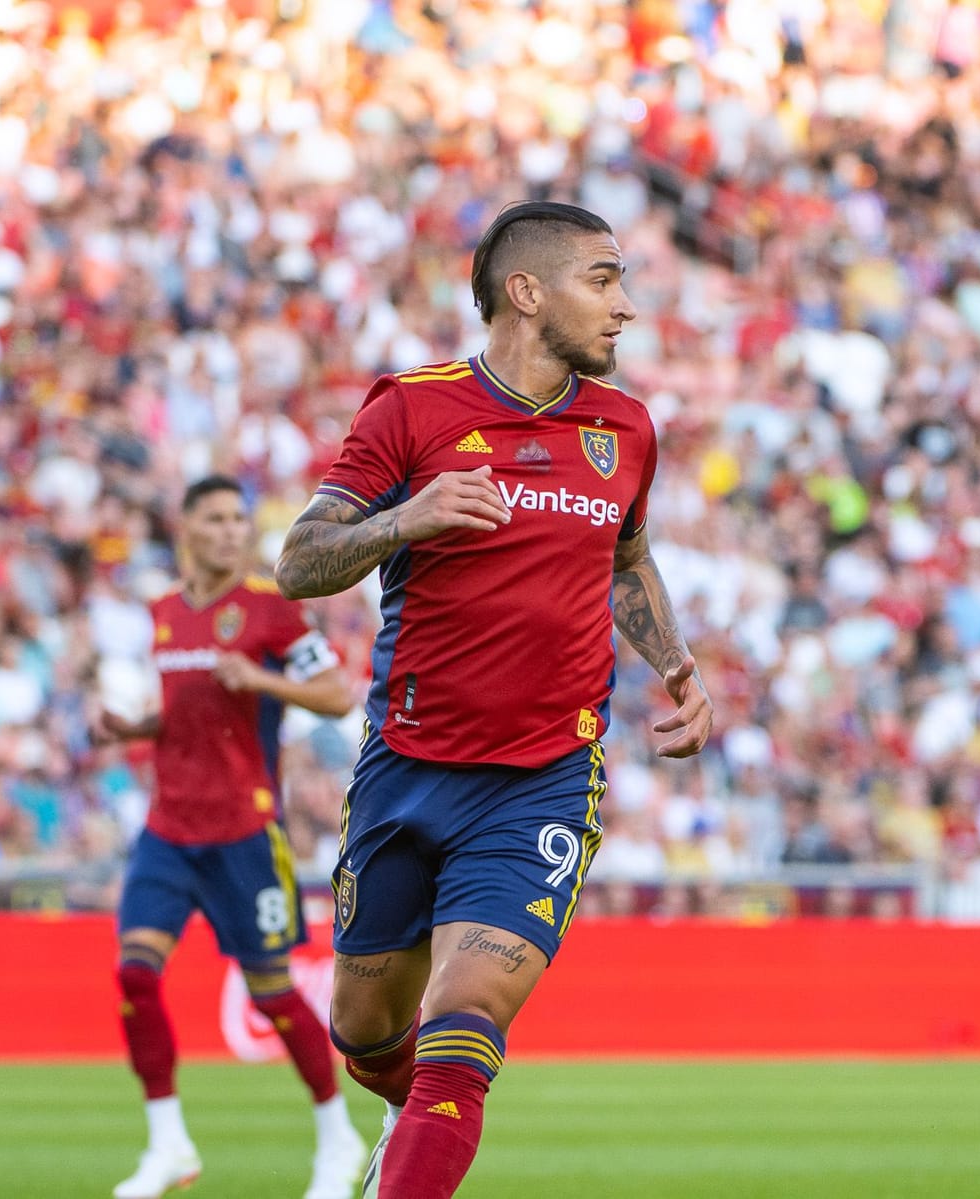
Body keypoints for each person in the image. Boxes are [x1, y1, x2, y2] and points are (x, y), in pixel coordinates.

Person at [274, 200, 713, 1199]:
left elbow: (628, 559)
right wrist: (409, 518)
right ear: (527, 291)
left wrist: (676, 666)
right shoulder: (412, 409)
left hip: (543, 780)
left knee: (465, 1013)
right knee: (367, 1030)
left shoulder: (626, 428)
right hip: (407, 767)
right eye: (603, 280)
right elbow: (298, 560)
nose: (627, 307)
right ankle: (404, 1115)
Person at [94, 476, 367, 1199]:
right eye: (214, 518)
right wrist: (133, 728)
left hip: (245, 832)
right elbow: (182, 715)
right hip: (168, 827)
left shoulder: (272, 613)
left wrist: (261, 679)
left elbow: (339, 694)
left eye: (238, 519)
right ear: (185, 526)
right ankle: (167, 1142)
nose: (228, 530)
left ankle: (338, 1136)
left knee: (273, 991)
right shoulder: (161, 615)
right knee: (134, 973)